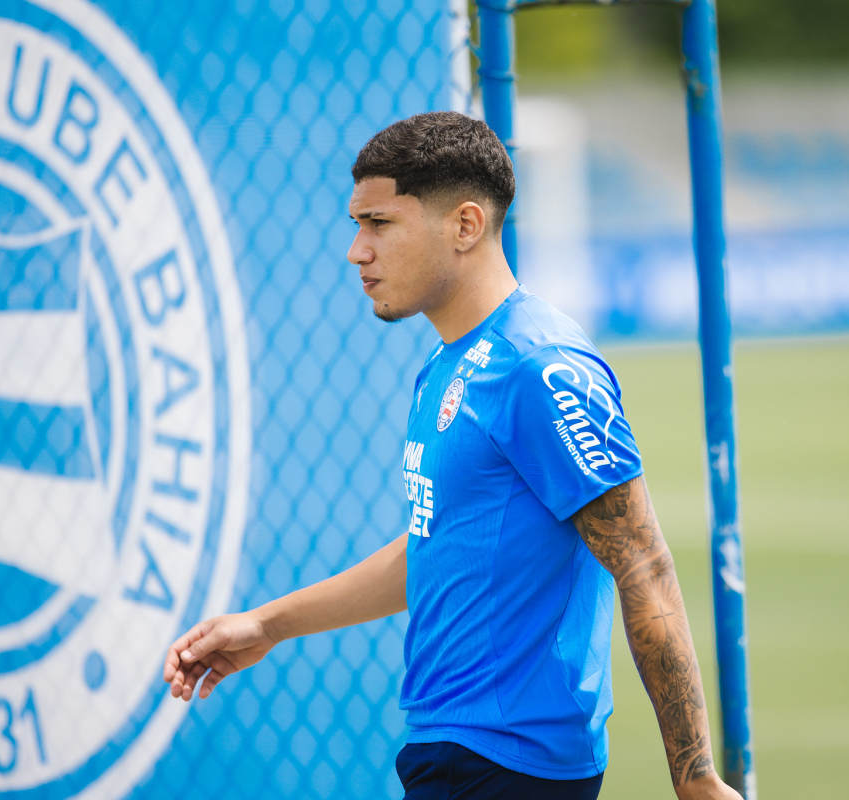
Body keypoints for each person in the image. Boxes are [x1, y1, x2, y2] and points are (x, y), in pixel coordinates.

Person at [163, 111, 743, 800]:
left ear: (466, 226)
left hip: (512, 768)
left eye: (379, 223)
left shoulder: (542, 368)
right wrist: (267, 624)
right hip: (453, 753)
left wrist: (696, 777)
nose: (356, 250)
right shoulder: (449, 364)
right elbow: (436, 547)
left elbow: (641, 561)